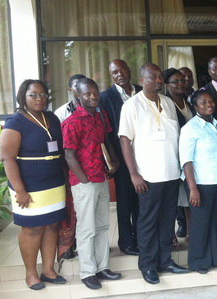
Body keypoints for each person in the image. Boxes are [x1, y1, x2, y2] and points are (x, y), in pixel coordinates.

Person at [119, 63, 190, 285]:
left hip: (171, 173)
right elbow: (125, 140)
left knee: (167, 219)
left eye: (160, 77)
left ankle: (165, 260)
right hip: (147, 175)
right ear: (142, 80)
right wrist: (133, 174)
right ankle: (148, 265)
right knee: (148, 221)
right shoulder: (132, 106)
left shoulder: (168, 103)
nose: (158, 81)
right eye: (153, 77)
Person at [0, 80, 67, 290]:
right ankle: (31, 274)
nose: (39, 98)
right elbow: (7, 158)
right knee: (33, 228)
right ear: (23, 97)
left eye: (43, 94)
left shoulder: (52, 117)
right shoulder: (15, 122)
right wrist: (19, 190)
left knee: (52, 225)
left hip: (54, 182)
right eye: (34, 95)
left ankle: (48, 270)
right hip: (29, 185)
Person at [62, 78, 122, 289]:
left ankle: (102, 267)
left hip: (101, 178)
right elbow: (69, 155)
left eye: (95, 92)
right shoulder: (71, 122)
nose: (93, 96)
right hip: (84, 182)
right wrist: (84, 180)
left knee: (102, 226)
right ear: (78, 95)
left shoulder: (100, 116)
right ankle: (88, 272)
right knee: (87, 229)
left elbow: (105, 141)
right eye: (87, 93)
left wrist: (113, 162)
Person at [179, 90, 217, 274]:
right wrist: (192, 188)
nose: (209, 104)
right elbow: (186, 160)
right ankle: (198, 261)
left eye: (211, 101)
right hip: (201, 183)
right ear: (195, 106)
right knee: (201, 223)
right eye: (203, 102)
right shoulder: (190, 128)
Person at [99, 59, 142, 256]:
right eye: (115, 72)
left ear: (129, 70)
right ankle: (126, 241)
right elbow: (107, 134)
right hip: (122, 157)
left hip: (146, 154)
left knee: (143, 200)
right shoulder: (105, 97)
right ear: (111, 76)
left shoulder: (143, 90)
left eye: (122, 69)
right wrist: (113, 159)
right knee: (125, 201)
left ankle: (142, 238)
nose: (120, 74)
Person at [54, 74, 86, 262]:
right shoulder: (61, 113)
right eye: (76, 86)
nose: (79, 89)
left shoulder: (95, 110)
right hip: (68, 168)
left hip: (90, 169)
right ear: (70, 90)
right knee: (69, 210)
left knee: (86, 211)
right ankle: (68, 245)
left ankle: (86, 244)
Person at [163, 68, 195, 244]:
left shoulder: (189, 102)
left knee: (189, 198)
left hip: (190, 158)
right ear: (167, 85)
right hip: (172, 157)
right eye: (176, 81)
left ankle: (191, 234)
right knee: (172, 199)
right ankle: (171, 235)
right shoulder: (165, 104)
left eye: (183, 81)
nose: (181, 84)